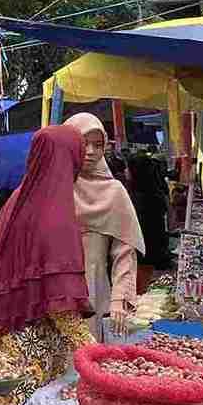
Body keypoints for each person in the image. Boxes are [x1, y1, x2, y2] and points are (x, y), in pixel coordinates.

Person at [0, 125, 95, 405]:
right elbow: (61, 304)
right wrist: (96, 357)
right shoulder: (56, 213)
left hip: (6, 338)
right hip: (34, 347)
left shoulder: (19, 197)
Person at [65, 112, 144, 340]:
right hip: (55, 293)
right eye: (83, 143)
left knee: (87, 360)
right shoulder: (56, 186)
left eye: (98, 145)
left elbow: (124, 252)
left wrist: (119, 298)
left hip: (94, 290)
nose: (90, 152)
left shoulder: (114, 192)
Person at [127, 153, 172, 292]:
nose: (125, 171)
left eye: (128, 168)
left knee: (142, 293)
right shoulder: (156, 190)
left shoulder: (137, 196)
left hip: (143, 254)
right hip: (156, 252)